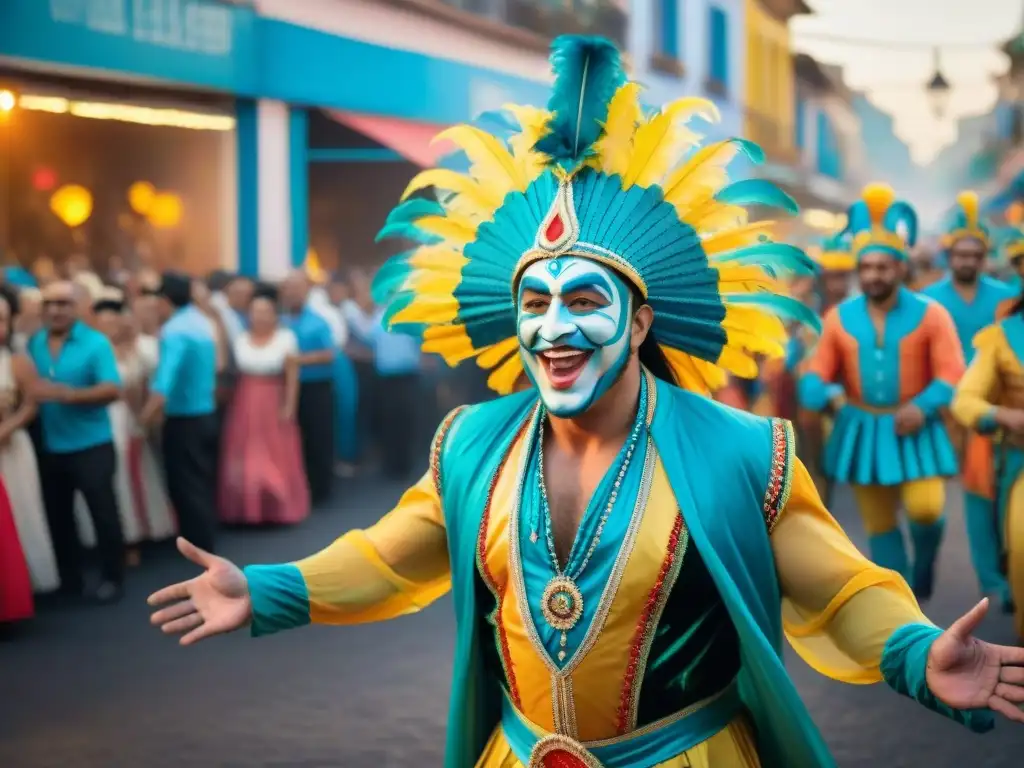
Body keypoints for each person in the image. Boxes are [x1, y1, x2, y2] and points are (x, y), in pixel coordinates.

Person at [150, 38, 1024, 766]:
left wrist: (915, 652)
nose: (553, 328)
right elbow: (388, 559)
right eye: (535, 302)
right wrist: (266, 589)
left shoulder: (742, 452)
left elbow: (839, 591)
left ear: (640, 320)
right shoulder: (472, 443)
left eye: (583, 300)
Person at [799, 184, 965, 600]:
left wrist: (923, 406)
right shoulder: (838, 318)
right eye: (867, 267)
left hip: (917, 428)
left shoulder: (932, 315)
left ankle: (924, 562)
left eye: (883, 267)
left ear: (900, 267)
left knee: (927, 511)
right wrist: (828, 393)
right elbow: (815, 375)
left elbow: (952, 373)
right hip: (862, 429)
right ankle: (903, 602)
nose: (873, 274)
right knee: (880, 526)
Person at [923, 191, 1016, 611]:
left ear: (984, 257)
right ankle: (992, 578)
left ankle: (1008, 569)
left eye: (975, 254)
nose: (967, 261)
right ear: (949, 256)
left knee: (1000, 491)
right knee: (971, 493)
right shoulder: (930, 300)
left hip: (997, 409)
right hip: (947, 411)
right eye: (960, 254)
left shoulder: (1006, 298)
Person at [29, 280, 124, 603]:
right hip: (50, 447)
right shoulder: (35, 342)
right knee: (58, 516)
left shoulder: (96, 343)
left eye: (63, 303)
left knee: (103, 514)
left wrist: (66, 394)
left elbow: (112, 389)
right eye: (49, 304)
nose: (55, 310)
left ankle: (112, 577)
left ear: (77, 308)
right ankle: (70, 580)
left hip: (91, 445)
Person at [953, 229, 1024, 641]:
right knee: (986, 504)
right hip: (1005, 447)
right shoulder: (1003, 333)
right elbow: (966, 399)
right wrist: (1004, 415)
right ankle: (998, 582)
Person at [84, 289, 174, 556]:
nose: (109, 327)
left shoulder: (133, 350)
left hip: (128, 418)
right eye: (103, 322)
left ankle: (139, 531)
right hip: (101, 418)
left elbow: (144, 386)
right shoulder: (92, 352)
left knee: (135, 473)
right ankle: (120, 538)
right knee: (113, 477)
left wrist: (143, 415)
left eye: (113, 321)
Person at [141, 271, 219, 553]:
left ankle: (198, 548)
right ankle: (206, 541)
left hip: (184, 420)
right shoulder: (201, 322)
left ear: (165, 299)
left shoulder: (174, 330)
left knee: (186, 487)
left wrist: (143, 419)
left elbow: (164, 382)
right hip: (207, 412)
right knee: (201, 482)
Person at [218, 286, 308, 525]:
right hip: (244, 403)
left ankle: (276, 507)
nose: (260, 316)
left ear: (274, 314)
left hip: (273, 400)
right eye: (255, 311)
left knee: (275, 454)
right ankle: (247, 508)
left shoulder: (286, 338)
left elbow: (292, 376)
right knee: (244, 454)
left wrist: (289, 406)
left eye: (265, 311)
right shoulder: (240, 339)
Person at [0, 284, 58, 595]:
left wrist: (7, 428)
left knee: (22, 511)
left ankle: (27, 582)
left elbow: (31, 404)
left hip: (12, 449)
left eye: (2, 320)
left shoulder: (16, 361)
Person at [280, 271, 336, 504]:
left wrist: (298, 360)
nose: (293, 293)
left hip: (316, 387)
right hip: (286, 388)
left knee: (317, 438)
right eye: (289, 288)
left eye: (297, 288)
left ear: (306, 291)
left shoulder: (318, 321)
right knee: (294, 439)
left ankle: (320, 490)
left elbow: (329, 354)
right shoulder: (280, 320)